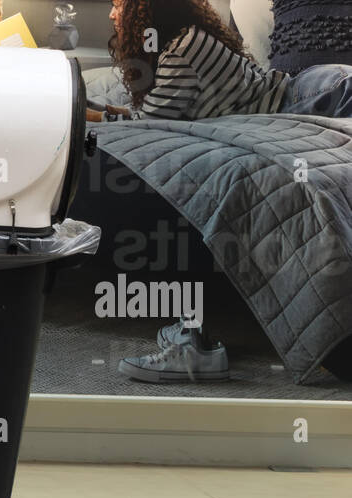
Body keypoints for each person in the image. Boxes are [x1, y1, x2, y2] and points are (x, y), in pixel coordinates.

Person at [88, 0, 352, 382]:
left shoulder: (182, 49)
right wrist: (105, 110)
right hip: (304, 96)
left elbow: (152, 122)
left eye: (118, 6)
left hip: (320, 93)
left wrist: (96, 115)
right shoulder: (185, 41)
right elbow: (161, 112)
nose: (113, 15)